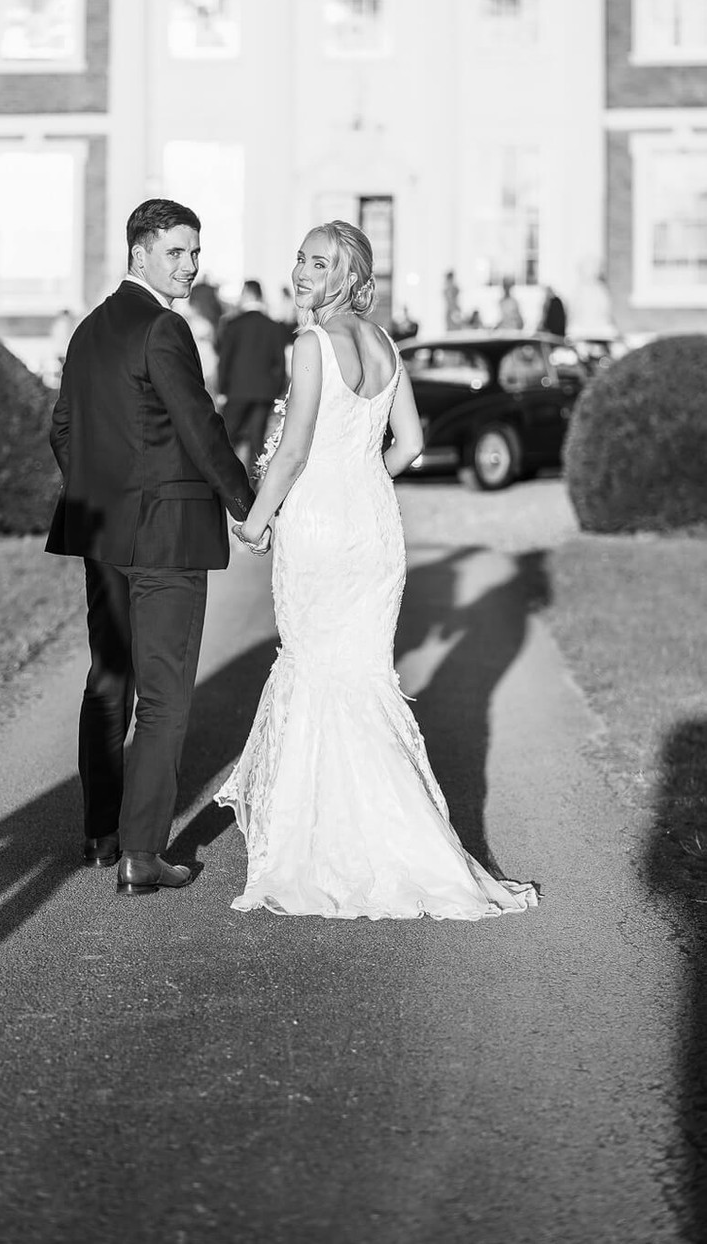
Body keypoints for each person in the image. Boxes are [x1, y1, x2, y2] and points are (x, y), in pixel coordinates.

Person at [215, 220, 538, 921]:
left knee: (315, 671)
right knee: (361, 677)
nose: (302, 272)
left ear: (346, 276)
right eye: (300, 259)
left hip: (320, 525)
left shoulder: (310, 343)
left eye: (318, 263)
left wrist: (258, 518)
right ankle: (400, 844)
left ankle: (318, 846)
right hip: (373, 526)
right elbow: (411, 442)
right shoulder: (386, 345)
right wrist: (364, 479)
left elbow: (294, 450)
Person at [47, 199, 261, 898]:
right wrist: (247, 506)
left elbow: (63, 429)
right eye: (176, 252)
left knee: (109, 680)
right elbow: (199, 428)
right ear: (139, 252)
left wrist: (101, 490)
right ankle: (141, 853)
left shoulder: (88, 330)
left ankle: (100, 836)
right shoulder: (164, 327)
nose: (190, 265)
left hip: (103, 534)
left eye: (194, 252)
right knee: (164, 697)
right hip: (164, 537)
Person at [217, 280, 288, 479]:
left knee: (224, 440)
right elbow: (280, 363)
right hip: (264, 393)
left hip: (236, 391)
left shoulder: (233, 324)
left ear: (248, 293)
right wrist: (275, 390)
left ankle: (223, 481)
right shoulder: (274, 326)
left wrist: (222, 390)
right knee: (256, 443)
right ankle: (252, 485)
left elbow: (225, 360)